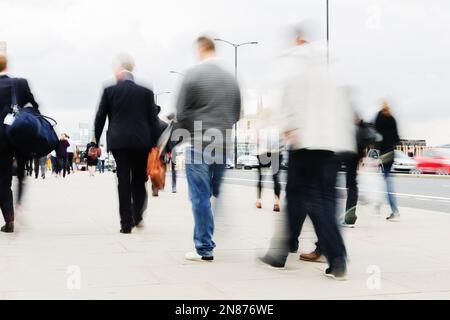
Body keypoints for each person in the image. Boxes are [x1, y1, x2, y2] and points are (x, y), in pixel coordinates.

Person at [258, 22, 355, 280]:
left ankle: (280, 254)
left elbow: (288, 98)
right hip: (332, 146)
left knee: (300, 196)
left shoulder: (296, 65)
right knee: (324, 200)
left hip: (306, 141)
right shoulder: (332, 69)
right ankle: (336, 260)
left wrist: (288, 128)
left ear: (299, 41)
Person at [175, 36, 241, 262]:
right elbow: (237, 112)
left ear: (201, 49)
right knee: (214, 193)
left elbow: (181, 113)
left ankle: (204, 246)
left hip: (199, 143)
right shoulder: (230, 78)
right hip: (223, 144)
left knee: (200, 197)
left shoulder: (193, 75)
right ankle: (211, 227)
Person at [94, 54, 160, 233]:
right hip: (142, 142)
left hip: (119, 141)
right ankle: (137, 215)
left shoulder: (110, 90)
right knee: (139, 180)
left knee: (123, 180)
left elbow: (100, 117)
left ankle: (125, 224)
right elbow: (153, 120)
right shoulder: (146, 91)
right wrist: (154, 145)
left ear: (119, 69)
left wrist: (95, 141)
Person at [0, 54, 39, 233]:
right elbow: (35, 107)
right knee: (6, 180)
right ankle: (10, 218)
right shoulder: (19, 84)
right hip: (12, 138)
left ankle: (9, 218)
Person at [375, 101, 400, 221]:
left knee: (384, 181)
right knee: (386, 180)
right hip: (391, 153)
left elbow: (375, 136)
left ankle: (393, 211)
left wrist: (374, 153)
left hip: (382, 153)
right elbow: (397, 139)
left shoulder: (379, 117)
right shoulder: (392, 119)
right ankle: (389, 209)